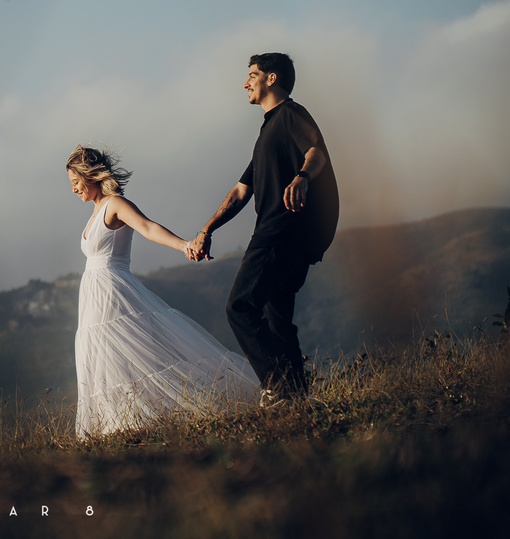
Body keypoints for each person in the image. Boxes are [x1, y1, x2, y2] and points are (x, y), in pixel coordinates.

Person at [67, 146, 259, 438]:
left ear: (90, 175)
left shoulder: (115, 204)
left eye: (75, 182)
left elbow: (147, 227)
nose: (74, 189)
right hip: (93, 295)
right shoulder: (95, 211)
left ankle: (140, 421)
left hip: (112, 290)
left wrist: (185, 245)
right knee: (105, 357)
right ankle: (116, 425)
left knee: (126, 352)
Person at [187, 53, 339, 405]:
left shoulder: (290, 114)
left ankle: (278, 387)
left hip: (279, 232)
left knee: (240, 307)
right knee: (278, 321)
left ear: (272, 78)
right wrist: (207, 229)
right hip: (286, 236)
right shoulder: (268, 133)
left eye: (252, 75)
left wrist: (302, 177)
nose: (245, 83)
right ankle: (297, 401)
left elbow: (316, 151)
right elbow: (241, 192)